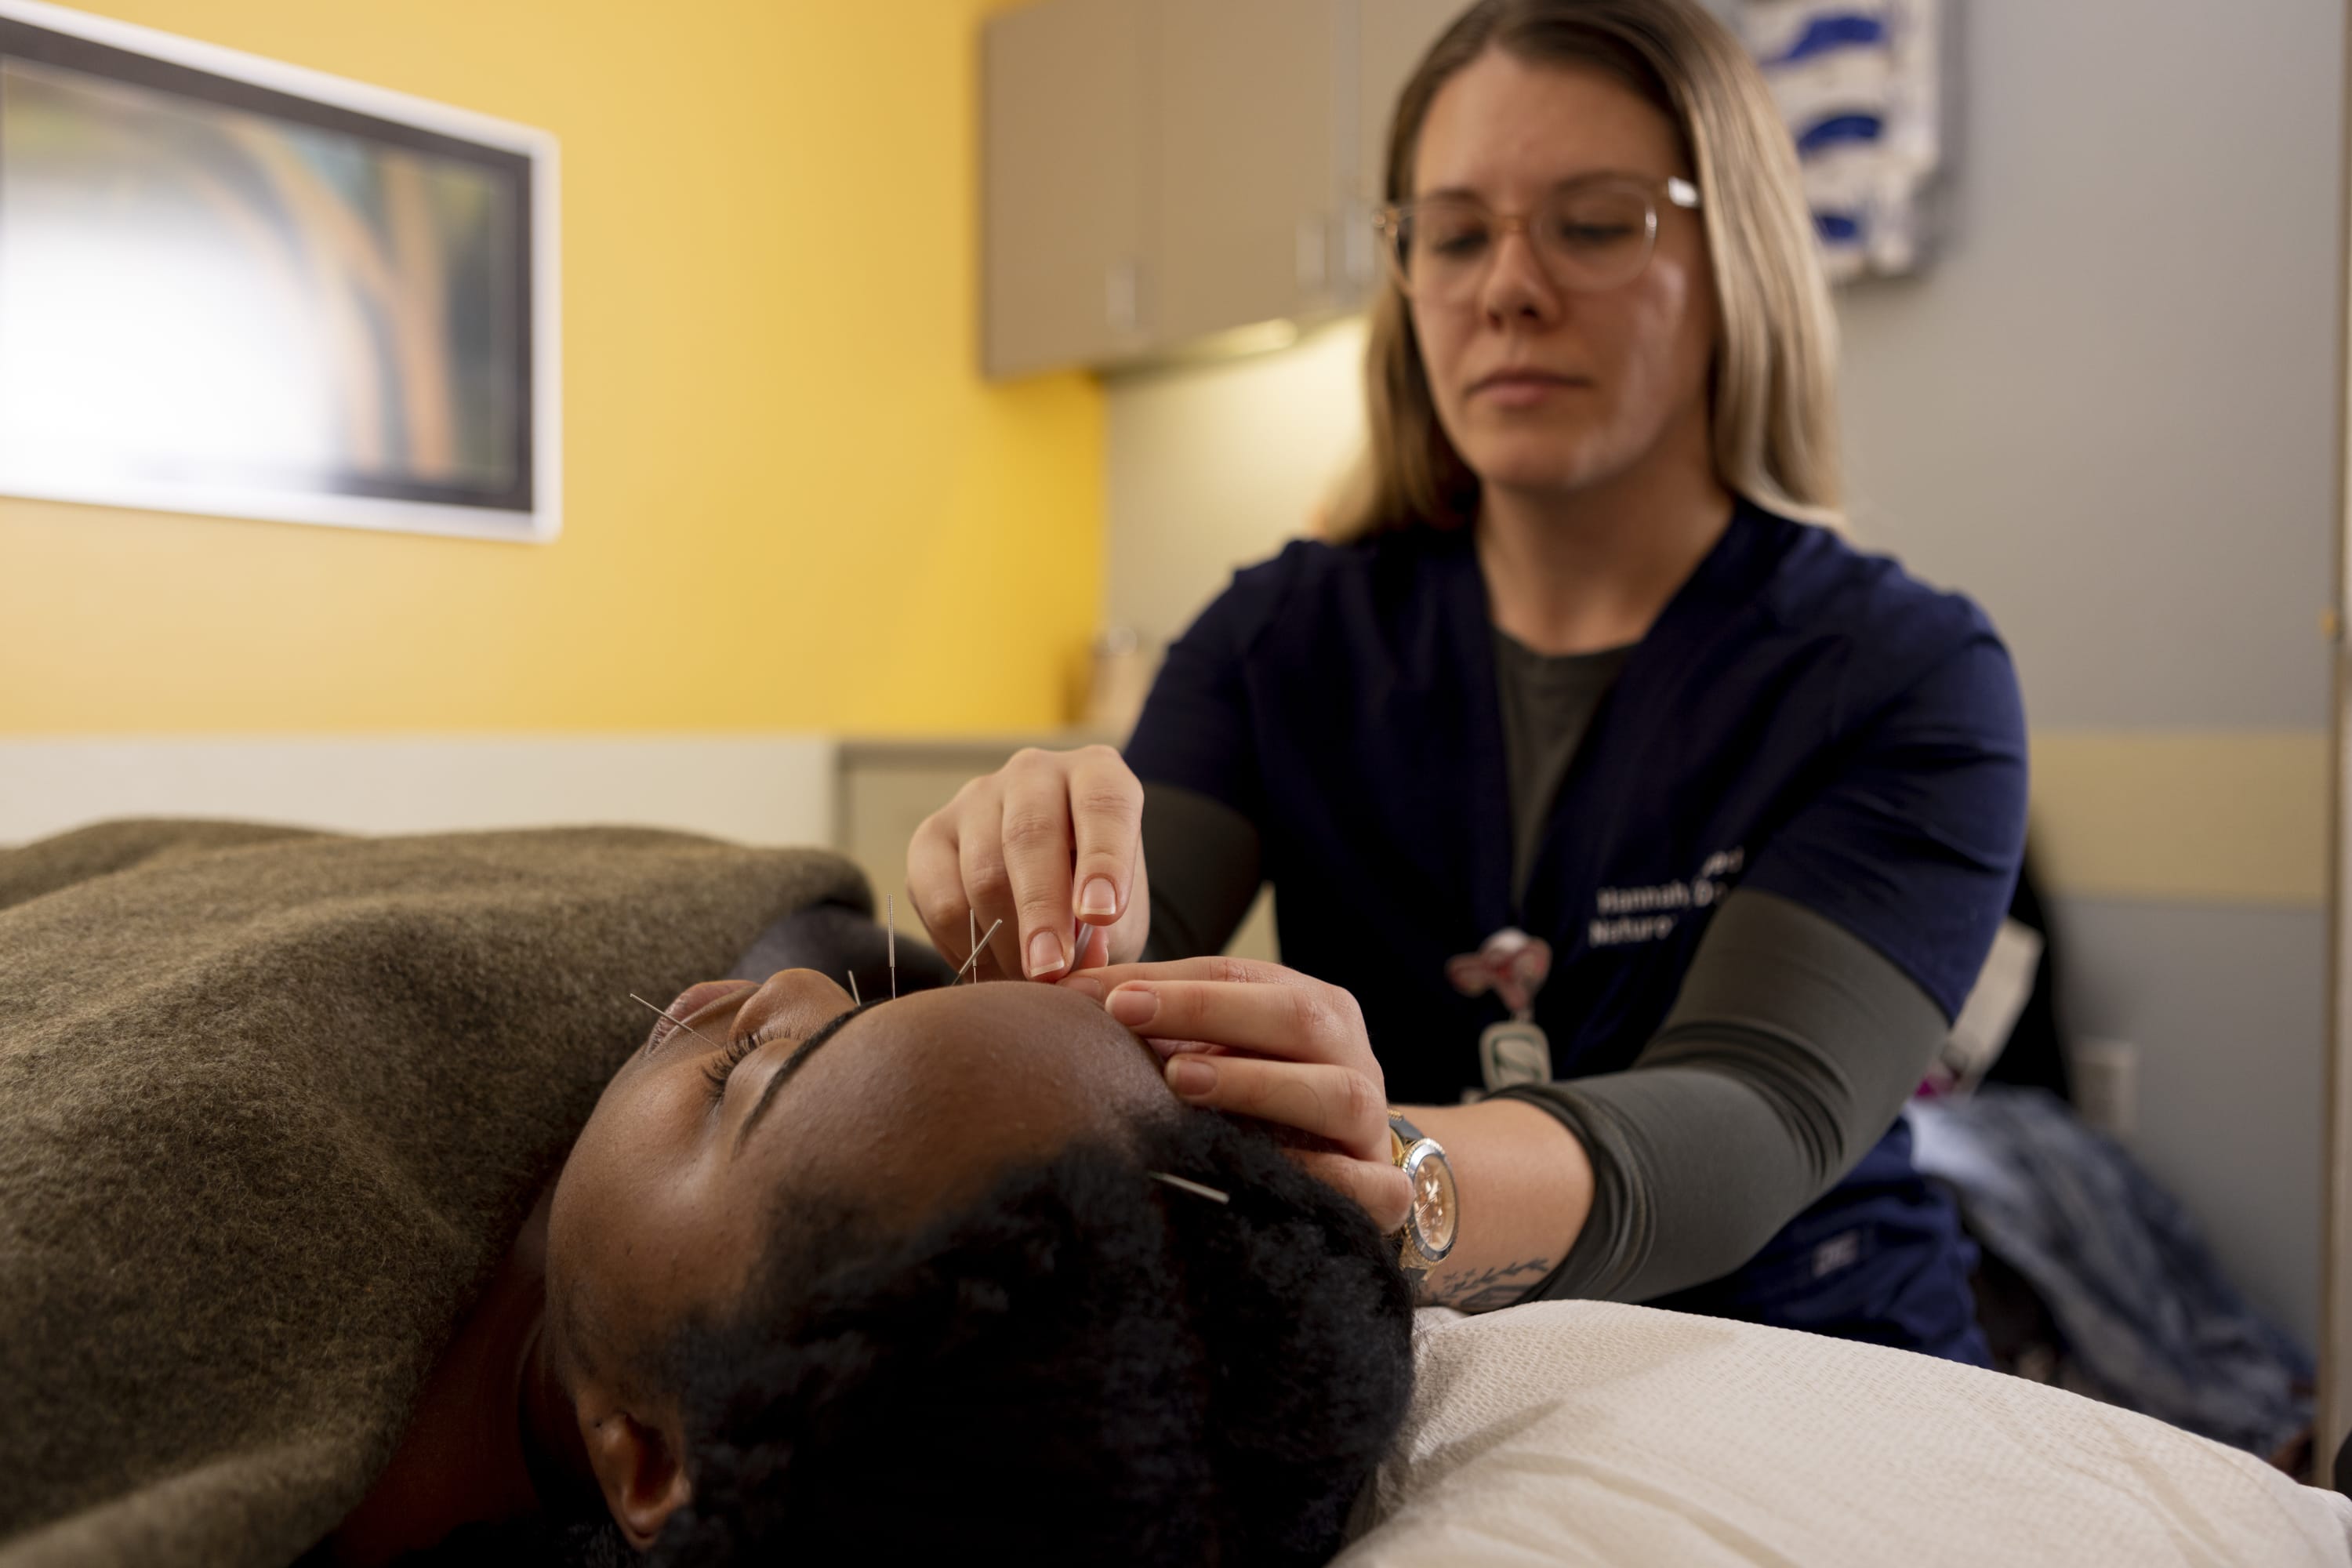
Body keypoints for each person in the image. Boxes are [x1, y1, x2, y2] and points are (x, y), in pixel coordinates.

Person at [908, 0, 2027, 1360]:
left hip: (1814, 1357)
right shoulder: (1279, 640)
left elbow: (1759, 1105)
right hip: (1435, 1353)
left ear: (1737, 263)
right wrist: (1019, 929)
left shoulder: (1908, 677)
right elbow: (1103, 986)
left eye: (1596, 221)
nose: (1506, 285)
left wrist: (1403, 1182)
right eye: (1452, 232)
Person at [0, 822, 1410, 1566]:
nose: (775, 990)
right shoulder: (784, 944)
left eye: (751, 1079)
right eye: (886, 997)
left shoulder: (164, 1349)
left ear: (654, 1465)